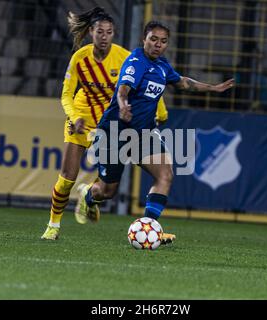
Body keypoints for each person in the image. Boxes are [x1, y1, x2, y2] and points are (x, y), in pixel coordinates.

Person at [75, 21, 235, 244]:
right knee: (107, 191)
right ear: (144, 40)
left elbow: (183, 82)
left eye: (163, 41)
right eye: (153, 39)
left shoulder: (162, 66)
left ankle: (150, 228)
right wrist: (122, 106)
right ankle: (88, 196)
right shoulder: (135, 62)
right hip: (114, 132)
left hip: (143, 134)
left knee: (165, 174)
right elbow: (123, 89)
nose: (158, 45)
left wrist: (212, 88)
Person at [41, 8, 169, 240]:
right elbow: (66, 95)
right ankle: (53, 225)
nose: (104, 36)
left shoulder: (124, 57)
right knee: (67, 177)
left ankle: (89, 195)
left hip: (111, 124)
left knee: (109, 190)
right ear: (91, 32)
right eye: (100, 31)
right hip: (82, 118)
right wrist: (74, 116)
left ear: (113, 34)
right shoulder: (80, 58)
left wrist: (161, 111)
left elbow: (149, 82)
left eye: (109, 32)